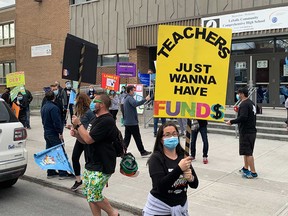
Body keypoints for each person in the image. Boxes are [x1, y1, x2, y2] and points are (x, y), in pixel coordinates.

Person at [71, 93, 119, 216]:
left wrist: (79, 124)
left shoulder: (107, 120)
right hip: (91, 163)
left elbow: (89, 139)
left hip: (102, 165)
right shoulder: (95, 119)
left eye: (95, 101)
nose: (92, 103)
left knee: (94, 195)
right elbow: (84, 140)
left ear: (102, 105)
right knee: (89, 194)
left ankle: (113, 213)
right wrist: (76, 133)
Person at [143, 122, 199, 216]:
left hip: (180, 208)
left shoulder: (183, 156)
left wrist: (190, 178)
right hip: (159, 209)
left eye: (174, 134)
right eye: (167, 135)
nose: (172, 137)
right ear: (161, 139)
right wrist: (179, 169)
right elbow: (160, 187)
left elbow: (195, 184)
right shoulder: (156, 158)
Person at [226, 87, 258, 179]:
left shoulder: (244, 104)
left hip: (246, 132)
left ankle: (253, 172)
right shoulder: (251, 103)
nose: (238, 95)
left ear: (242, 94)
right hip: (251, 131)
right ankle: (245, 167)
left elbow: (243, 118)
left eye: (239, 93)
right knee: (245, 151)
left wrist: (231, 121)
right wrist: (238, 111)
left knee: (248, 153)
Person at [41, 91, 73, 179]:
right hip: (53, 133)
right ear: (54, 97)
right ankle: (63, 172)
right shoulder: (53, 108)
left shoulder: (44, 107)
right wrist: (60, 132)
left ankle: (50, 171)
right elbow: (56, 121)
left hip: (47, 132)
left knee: (50, 152)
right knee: (60, 152)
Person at [70, 93, 95, 191]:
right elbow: (77, 125)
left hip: (86, 140)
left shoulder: (89, 112)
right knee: (74, 157)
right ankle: (78, 180)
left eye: (77, 100)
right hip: (79, 139)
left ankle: (89, 182)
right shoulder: (78, 112)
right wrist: (73, 128)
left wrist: (82, 131)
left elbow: (92, 125)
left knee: (88, 161)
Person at [123, 85, 151, 157]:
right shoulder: (129, 98)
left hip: (128, 122)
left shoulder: (126, 98)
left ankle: (122, 151)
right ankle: (142, 151)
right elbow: (135, 104)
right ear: (130, 91)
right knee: (137, 137)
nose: (134, 92)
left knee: (127, 138)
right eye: (133, 90)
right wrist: (145, 99)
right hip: (132, 122)